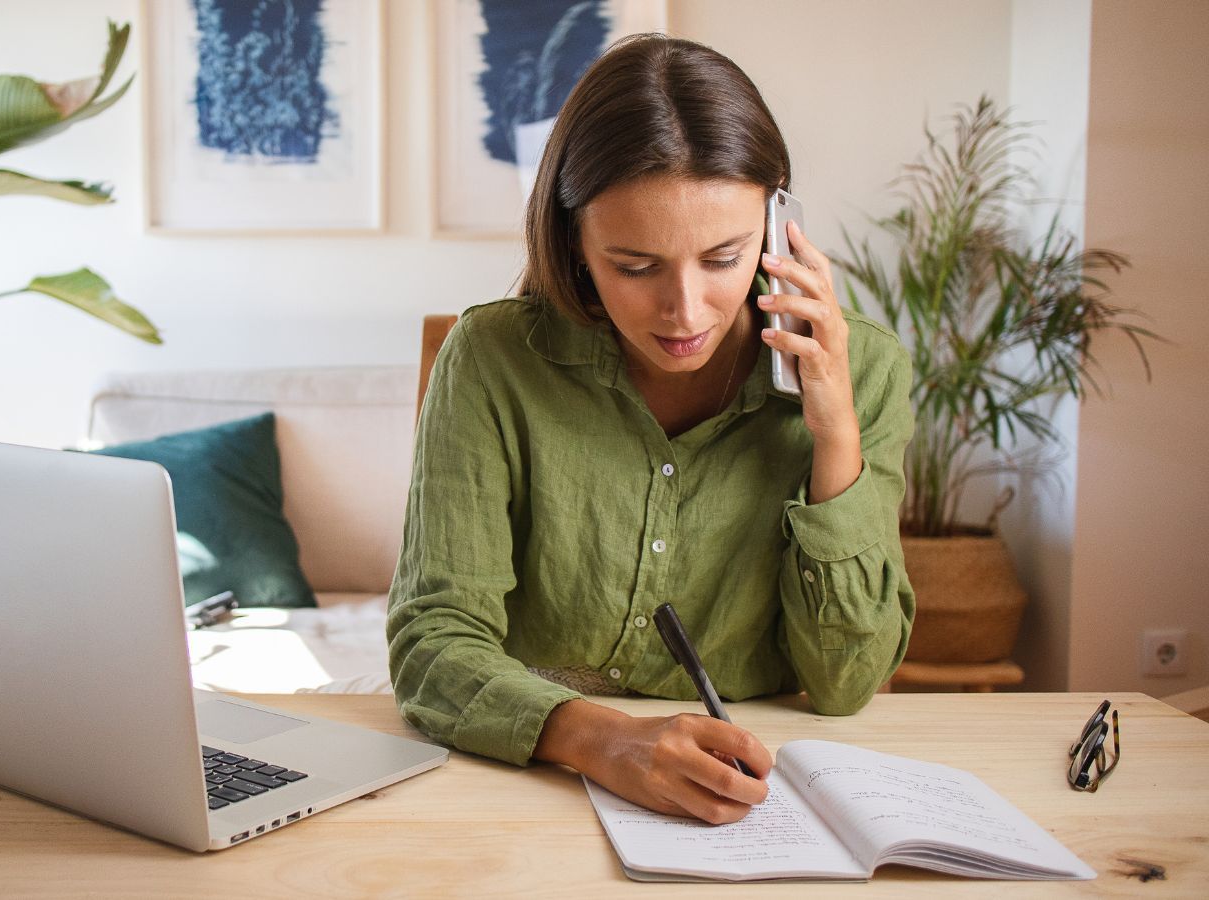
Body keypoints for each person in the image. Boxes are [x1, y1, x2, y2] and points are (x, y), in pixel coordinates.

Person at [387, 35, 916, 826]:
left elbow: (846, 683)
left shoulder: (864, 369)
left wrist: (835, 435)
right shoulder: (494, 359)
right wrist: (605, 740)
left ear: (778, 224)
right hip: (528, 785)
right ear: (574, 242)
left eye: (724, 257)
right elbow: (433, 643)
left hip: (756, 803)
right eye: (636, 266)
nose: (686, 310)